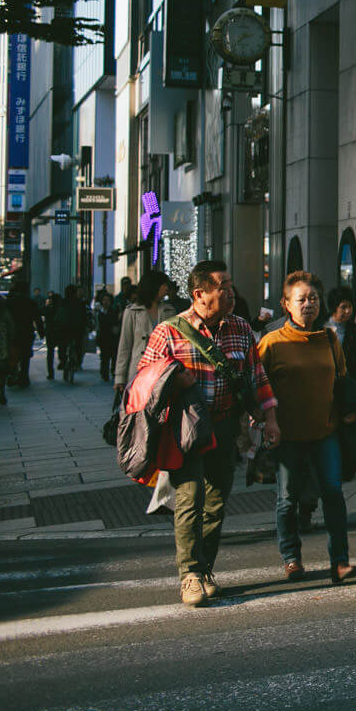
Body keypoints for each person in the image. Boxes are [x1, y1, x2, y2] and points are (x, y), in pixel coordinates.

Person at [134, 260, 280, 606]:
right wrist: (173, 378)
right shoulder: (169, 331)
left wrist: (269, 418)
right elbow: (145, 380)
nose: (231, 292)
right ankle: (190, 576)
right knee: (189, 498)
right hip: (185, 428)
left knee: (215, 501)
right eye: (222, 287)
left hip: (226, 425)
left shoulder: (241, 328)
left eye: (230, 285)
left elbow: (256, 376)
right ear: (200, 294)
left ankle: (204, 569)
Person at [256, 271, 356, 584]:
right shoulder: (272, 343)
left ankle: (339, 561)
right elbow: (258, 386)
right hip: (287, 435)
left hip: (325, 432)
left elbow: (342, 379)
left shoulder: (328, 339)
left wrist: (347, 414)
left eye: (313, 298)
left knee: (333, 495)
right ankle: (291, 558)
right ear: (286, 304)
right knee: (287, 499)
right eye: (301, 299)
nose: (308, 304)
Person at [115, 270, 175, 405]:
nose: (167, 289)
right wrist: (120, 378)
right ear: (153, 286)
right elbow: (125, 346)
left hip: (163, 371)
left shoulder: (169, 311)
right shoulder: (132, 312)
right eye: (163, 285)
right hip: (139, 370)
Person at [57, 285, 90, 384]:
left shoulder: (62, 302)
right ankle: (77, 362)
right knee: (78, 345)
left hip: (64, 329)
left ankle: (62, 361)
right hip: (77, 329)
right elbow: (84, 317)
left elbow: (58, 316)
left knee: (62, 345)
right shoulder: (80, 303)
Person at [94, 290, 120, 383]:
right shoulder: (99, 312)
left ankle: (113, 372)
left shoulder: (114, 311)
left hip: (112, 337)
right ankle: (104, 373)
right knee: (104, 357)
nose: (106, 302)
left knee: (113, 356)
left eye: (108, 300)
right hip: (103, 337)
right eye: (104, 300)